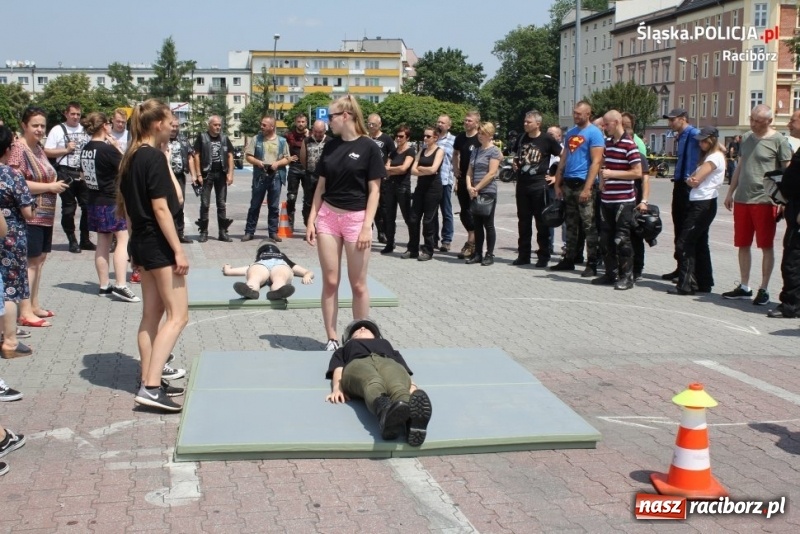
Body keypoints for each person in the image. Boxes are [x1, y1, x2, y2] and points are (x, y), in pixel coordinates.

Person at [117, 99, 189, 413]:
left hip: (142, 242)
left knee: (151, 314)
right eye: (170, 120)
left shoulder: (131, 157)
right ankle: (151, 386)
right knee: (178, 316)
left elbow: (129, 210)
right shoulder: (152, 158)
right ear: (157, 123)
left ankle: (149, 377)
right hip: (159, 244)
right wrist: (178, 250)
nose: (173, 125)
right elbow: (162, 208)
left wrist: (133, 247)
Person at [305, 96, 384, 351]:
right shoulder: (330, 146)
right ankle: (331, 338)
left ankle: (360, 336)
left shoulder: (369, 147)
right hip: (328, 217)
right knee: (330, 281)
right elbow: (320, 187)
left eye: (331, 117)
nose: (328, 122)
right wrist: (311, 220)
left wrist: (366, 226)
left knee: (358, 284)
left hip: (356, 220)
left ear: (346, 116)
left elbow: (375, 191)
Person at [722, 105, 792, 305]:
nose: (753, 124)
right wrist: (730, 192)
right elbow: (741, 166)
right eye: (751, 119)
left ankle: (764, 288)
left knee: (766, 245)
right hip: (743, 199)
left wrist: (784, 200)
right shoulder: (746, 138)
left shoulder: (779, 141)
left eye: (757, 121)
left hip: (765, 200)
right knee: (743, 243)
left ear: (769, 121)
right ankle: (744, 286)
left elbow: (787, 173)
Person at [325, 318, 432, 446]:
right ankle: (385, 413)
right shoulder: (345, 349)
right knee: (372, 381)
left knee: (398, 385)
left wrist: (412, 386)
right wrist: (337, 388)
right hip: (358, 364)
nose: (362, 328)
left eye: (367, 328)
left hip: (387, 361)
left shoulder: (386, 345)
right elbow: (338, 368)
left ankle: (412, 420)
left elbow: (402, 370)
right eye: (357, 329)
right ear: (349, 338)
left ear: (376, 336)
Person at [8, 107, 70, 328]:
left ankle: (34, 305)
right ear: (24, 125)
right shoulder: (18, 149)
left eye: (43, 125)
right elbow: (16, 182)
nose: (40, 129)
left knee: (39, 260)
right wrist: (49, 187)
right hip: (28, 214)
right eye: (35, 125)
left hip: (45, 213)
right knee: (30, 262)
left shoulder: (39, 148)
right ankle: (24, 311)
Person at [80, 112, 140, 303]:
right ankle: (121, 284)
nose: (110, 126)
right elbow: (127, 167)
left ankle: (104, 285)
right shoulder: (107, 149)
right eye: (108, 123)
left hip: (94, 199)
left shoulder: (86, 148)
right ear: (103, 126)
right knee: (122, 239)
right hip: (111, 200)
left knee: (103, 242)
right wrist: (117, 147)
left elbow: (83, 174)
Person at [668, 127, 725, 296]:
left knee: (685, 242)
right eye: (700, 140)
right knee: (699, 242)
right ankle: (704, 281)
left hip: (703, 203)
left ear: (712, 140)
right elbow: (692, 178)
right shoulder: (710, 157)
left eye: (704, 141)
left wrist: (691, 180)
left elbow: (695, 179)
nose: (700, 143)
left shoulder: (713, 157)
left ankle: (686, 283)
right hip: (702, 202)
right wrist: (691, 180)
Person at [591, 110, 643, 290]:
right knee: (605, 238)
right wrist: (602, 180)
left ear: (616, 122)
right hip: (607, 198)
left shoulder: (629, 145)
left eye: (607, 124)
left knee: (622, 239)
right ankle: (610, 273)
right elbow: (602, 163)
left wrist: (613, 174)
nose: (604, 127)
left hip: (623, 199)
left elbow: (637, 172)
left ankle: (627, 276)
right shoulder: (607, 143)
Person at [552, 101, 605, 276]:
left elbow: (596, 162)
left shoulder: (594, 133)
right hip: (569, 183)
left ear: (588, 114)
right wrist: (558, 183)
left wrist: (588, 188)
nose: (575, 116)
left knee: (589, 225)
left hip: (584, 183)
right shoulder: (571, 133)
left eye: (579, 114)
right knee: (571, 224)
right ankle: (569, 258)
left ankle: (592, 262)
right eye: (574, 113)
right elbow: (564, 158)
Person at [0, 125, 35, 357]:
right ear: (7, 149)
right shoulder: (11, 175)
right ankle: (10, 341)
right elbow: (28, 212)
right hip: (10, 237)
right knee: (10, 289)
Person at [512, 111, 563, 268]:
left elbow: (563, 156)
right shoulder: (521, 138)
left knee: (542, 222)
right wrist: (514, 163)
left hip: (539, 186)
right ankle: (524, 255)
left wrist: (556, 176)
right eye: (525, 121)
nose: (525, 124)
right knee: (523, 222)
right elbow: (516, 155)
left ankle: (544, 255)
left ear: (538, 124)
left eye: (529, 122)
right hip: (522, 185)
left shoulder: (547, 139)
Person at [43, 101, 94, 253]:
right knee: (68, 209)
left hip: (84, 172)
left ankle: (85, 239)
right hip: (66, 172)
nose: (76, 117)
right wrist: (65, 150)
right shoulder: (57, 130)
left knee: (87, 207)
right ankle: (72, 240)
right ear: (66, 114)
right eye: (72, 114)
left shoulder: (85, 129)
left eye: (78, 114)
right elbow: (47, 151)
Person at [767, 110, 800, 318]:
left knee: (792, 261)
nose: (788, 124)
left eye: (792, 120)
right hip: (793, 207)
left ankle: (791, 305)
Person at [661, 108, 700, 282]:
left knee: (686, 228)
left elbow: (715, 147)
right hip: (679, 184)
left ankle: (689, 272)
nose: (670, 123)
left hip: (688, 185)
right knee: (678, 226)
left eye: (672, 120)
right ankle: (680, 267)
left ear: (683, 119)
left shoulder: (694, 133)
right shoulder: (681, 135)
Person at [243, 116, 291, 242]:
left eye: (264, 125)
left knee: (274, 206)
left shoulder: (281, 141)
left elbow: (287, 158)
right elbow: (248, 156)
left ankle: (273, 232)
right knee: (255, 205)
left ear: (272, 127)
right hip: (260, 176)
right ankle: (249, 232)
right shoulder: (256, 139)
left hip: (276, 176)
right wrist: (257, 162)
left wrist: (278, 163)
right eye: (261, 124)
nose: (261, 127)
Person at [403, 126, 444, 261]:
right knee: (413, 219)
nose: (425, 138)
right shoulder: (422, 150)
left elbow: (433, 169)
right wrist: (424, 170)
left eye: (428, 136)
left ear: (435, 138)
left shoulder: (439, 151)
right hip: (420, 188)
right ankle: (412, 249)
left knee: (428, 221)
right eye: (424, 136)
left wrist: (420, 168)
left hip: (433, 189)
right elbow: (412, 170)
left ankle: (428, 250)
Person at [465, 122, 503, 266]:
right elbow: (469, 171)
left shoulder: (494, 151)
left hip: (488, 191)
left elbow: (492, 173)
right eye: (479, 133)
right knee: (477, 224)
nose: (480, 136)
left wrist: (477, 188)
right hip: (475, 191)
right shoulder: (475, 151)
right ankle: (478, 253)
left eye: (483, 133)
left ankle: (489, 254)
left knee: (488, 223)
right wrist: (469, 186)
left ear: (490, 135)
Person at [222, 241, 314, 300]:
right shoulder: (283, 257)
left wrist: (227, 268)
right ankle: (278, 290)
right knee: (279, 278)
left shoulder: (259, 259)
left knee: (255, 277)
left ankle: (251, 289)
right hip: (279, 264)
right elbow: (307, 271)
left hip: (263, 264)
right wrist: (307, 275)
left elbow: (232, 271)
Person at [193, 115, 234, 243]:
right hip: (207, 175)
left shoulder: (224, 138)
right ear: (209, 125)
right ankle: (203, 232)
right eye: (215, 125)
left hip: (221, 174)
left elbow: (230, 156)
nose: (218, 127)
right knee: (205, 204)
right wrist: (198, 174)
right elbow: (196, 156)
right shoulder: (202, 137)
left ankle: (223, 232)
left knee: (221, 204)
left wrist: (230, 173)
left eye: (219, 125)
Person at [621, 112, 651, 281]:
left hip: (635, 201)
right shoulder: (618, 155)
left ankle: (637, 269)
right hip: (620, 200)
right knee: (622, 236)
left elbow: (645, 181)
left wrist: (644, 201)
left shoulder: (640, 157)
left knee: (636, 237)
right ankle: (624, 267)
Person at [381, 124, 416, 255]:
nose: (398, 138)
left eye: (401, 136)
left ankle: (412, 246)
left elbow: (403, 169)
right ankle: (390, 243)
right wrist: (392, 170)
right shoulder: (393, 152)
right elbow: (386, 168)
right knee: (389, 217)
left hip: (403, 187)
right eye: (397, 136)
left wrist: (391, 169)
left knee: (408, 217)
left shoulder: (410, 151)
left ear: (407, 137)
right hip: (390, 186)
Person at [452, 112, 481, 259]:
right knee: (464, 211)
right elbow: (455, 153)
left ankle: (472, 243)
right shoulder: (460, 137)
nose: (466, 122)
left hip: (477, 179)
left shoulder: (480, 137)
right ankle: (472, 236)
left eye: (470, 121)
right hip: (463, 178)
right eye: (465, 120)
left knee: (474, 210)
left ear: (476, 123)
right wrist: (455, 169)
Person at [367, 114, 395, 244]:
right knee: (366, 205)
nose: (371, 126)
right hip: (366, 176)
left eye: (373, 124)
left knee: (382, 206)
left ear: (380, 124)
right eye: (369, 123)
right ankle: (368, 231)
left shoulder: (386, 139)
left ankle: (382, 232)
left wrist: (388, 165)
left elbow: (392, 154)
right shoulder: (365, 138)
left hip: (381, 177)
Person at [167, 118, 196, 244]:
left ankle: (180, 233)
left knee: (180, 204)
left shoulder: (183, 139)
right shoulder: (162, 138)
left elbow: (190, 157)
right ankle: (168, 234)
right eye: (172, 126)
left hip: (179, 176)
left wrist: (194, 175)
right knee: (166, 205)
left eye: (176, 126)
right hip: (165, 176)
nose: (174, 128)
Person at [299, 120, 331, 228]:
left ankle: (325, 226)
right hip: (311, 175)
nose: (317, 134)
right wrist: (309, 169)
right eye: (315, 131)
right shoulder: (307, 141)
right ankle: (309, 225)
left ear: (325, 131)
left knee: (326, 201)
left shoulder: (330, 141)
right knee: (308, 201)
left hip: (326, 177)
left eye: (320, 132)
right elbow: (303, 158)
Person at [433, 115, 456, 252]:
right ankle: (433, 239)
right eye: (438, 122)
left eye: (443, 122)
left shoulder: (453, 140)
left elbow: (456, 161)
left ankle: (446, 240)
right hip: (431, 181)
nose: (440, 124)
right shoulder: (432, 138)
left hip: (445, 180)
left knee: (446, 211)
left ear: (449, 126)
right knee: (432, 212)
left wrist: (456, 180)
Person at [284, 114, 308, 229]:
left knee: (309, 197)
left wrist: (309, 137)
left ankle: (308, 222)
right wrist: (287, 157)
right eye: (299, 121)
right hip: (294, 168)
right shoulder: (289, 135)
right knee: (291, 196)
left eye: (303, 121)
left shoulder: (312, 135)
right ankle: (290, 221)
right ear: (295, 122)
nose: (301, 124)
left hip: (307, 169)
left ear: (306, 123)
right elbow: (282, 148)